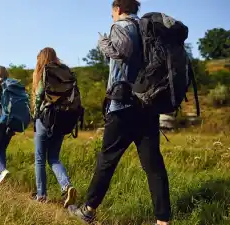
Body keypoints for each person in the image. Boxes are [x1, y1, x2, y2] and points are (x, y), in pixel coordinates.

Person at [68, 1, 171, 225]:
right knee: (154, 165)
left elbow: (121, 52)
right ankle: (163, 221)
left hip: (123, 106)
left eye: (112, 12)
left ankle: (87, 211)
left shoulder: (121, 26)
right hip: (148, 106)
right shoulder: (149, 31)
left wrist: (103, 43)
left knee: (107, 160)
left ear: (117, 9)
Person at [31, 47, 77, 208]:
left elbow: (39, 96)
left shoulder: (44, 71)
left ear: (41, 59)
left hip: (46, 118)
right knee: (54, 158)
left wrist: (35, 115)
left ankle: (41, 195)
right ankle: (66, 186)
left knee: (39, 159)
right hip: (63, 119)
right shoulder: (66, 72)